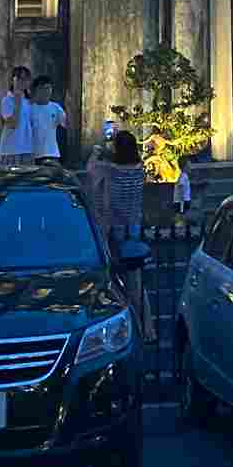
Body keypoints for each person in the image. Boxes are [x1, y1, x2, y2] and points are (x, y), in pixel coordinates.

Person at [85, 130, 152, 338]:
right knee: (136, 282)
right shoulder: (139, 169)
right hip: (134, 228)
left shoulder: (111, 169)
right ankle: (147, 328)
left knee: (112, 279)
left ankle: (128, 326)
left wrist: (97, 150)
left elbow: (90, 169)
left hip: (115, 230)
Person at [0, 65, 33, 159]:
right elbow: (12, 124)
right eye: (20, 78)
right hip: (11, 150)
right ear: (13, 80)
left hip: (27, 149)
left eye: (26, 79)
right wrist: (17, 103)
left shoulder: (29, 101)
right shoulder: (7, 100)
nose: (23, 82)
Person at [28, 76, 68, 161]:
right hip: (33, 154)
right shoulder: (29, 109)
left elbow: (66, 124)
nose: (46, 91)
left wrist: (71, 109)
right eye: (42, 88)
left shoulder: (56, 108)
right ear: (36, 90)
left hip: (52, 153)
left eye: (48, 88)